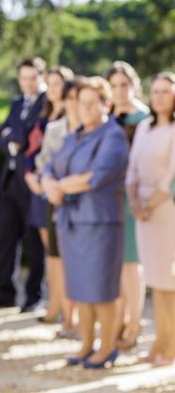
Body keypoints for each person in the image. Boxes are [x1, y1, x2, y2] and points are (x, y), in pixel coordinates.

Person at [43, 76, 128, 369]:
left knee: (101, 289)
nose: (87, 108)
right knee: (80, 288)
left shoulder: (113, 136)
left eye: (93, 103)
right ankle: (86, 343)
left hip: (99, 224)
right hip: (71, 223)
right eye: (82, 103)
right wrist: (48, 183)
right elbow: (50, 168)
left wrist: (58, 187)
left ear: (106, 104)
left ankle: (108, 347)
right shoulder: (73, 136)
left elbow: (96, 177)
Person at [0, 58, 46, 311]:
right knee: (5, 238)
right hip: (8, 181)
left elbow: (28, 135)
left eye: (32, 78)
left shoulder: (46, 103)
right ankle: (4, 291)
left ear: (41, 77)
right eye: (23, 78)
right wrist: (13, 138)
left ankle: (34, 296)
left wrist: (15, 135)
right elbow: (0, 135)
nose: (27, 83)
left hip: (31, 181)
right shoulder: (17, 102)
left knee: (34, 242)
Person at [126, 72, 175, 366]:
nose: (159, 97)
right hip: (142, 210)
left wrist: (150, 203)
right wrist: (134, 201)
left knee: (170, 278)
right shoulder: (144, 127)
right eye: (155, 91)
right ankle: (161, 337)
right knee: (156, 279)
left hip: (165, 209)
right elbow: (132, 167)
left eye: (165, 92)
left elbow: (171, 177)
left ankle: (172, 342)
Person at [23, 66, 73, 322]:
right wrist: (30, 174)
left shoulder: (71, 117)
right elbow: (31, 151)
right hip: (38, 187)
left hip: (56, 188)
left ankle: (66, 306)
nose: (52, 88)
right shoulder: (43, 116)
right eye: (49, 83)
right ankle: (55, 304)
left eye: (57, 83)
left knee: (60, 251)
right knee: (50, 252)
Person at [34, 77, 83, 338]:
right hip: (54, 201)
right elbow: (43, 162)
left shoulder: (94, 131)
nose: (74, 104)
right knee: (55, 257)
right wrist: (50, 182)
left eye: (78, 98)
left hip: (82, 203)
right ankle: (63, 313)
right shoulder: (55, 129)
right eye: (70, 98)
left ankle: (77, 317)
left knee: (76, 259)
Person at [106, 60, 149, 351]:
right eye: (114, 85)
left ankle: (135, 322)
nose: (120, 90)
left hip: (134, 197)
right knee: (117, 265)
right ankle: (119, 319)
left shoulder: (145, 118)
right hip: (108, 199)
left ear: (133, 85)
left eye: (124, 84)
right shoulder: (107, 115)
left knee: (132, 265)